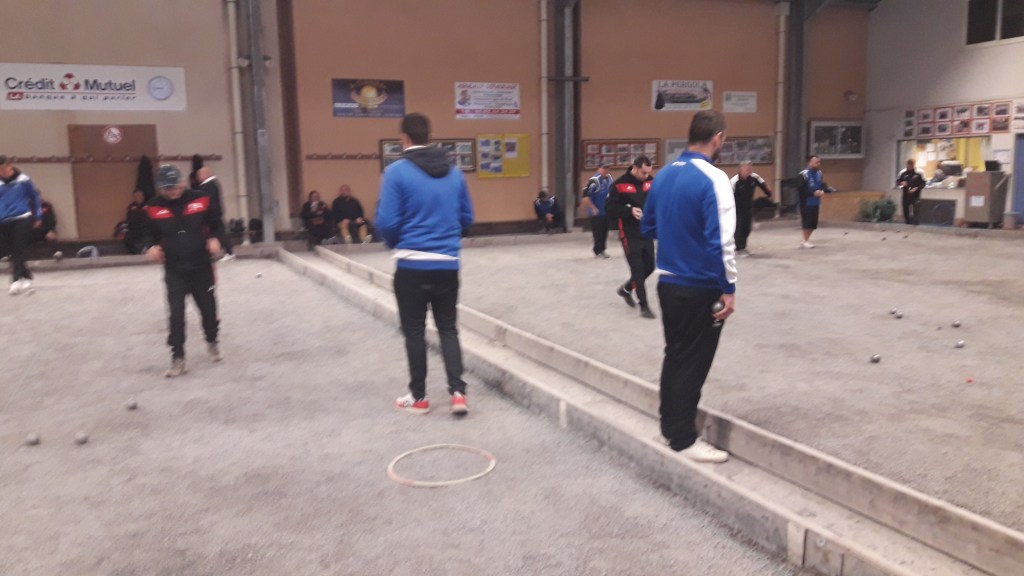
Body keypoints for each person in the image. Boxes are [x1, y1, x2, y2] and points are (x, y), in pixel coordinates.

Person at [640, 109, 735, 463]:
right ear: (718, 138)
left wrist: (677, 234)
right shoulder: (714, 178)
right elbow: (721, 241)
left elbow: (648, 227)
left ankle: (670, 427)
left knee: (676, 355)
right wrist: (729, 288)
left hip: (668, 283)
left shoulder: (664, 175)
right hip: (701, 286)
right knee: (693, 362)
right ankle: (683, 438)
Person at [376, 112, 474, 416]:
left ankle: (418, 398)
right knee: (448, 328)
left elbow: (387, 222)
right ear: (431, 137)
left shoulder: (395, 173)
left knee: (415, 331)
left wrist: (397, 243)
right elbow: (467, 217)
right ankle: (458, 393)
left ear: (403, 138)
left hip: (411, 265)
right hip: (447, 264)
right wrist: (448, 238)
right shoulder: (454, 173)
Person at [141, 164, 226, 377]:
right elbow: (147, 234)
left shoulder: (201, 199)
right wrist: (150, 246)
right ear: (161, 188)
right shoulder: (152, 207)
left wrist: (216, 239)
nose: (173, 191)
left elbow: (217, 224)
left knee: (208, 309)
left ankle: (212, 339)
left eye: (175, 186)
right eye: (167, 188)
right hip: (174, 269)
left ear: (182, 182)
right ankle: (177, 357)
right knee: (176, 314)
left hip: (201, 266)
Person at [607, 155, 656, 319]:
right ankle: (644, 306)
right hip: (629, 234)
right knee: (638, 269)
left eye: (648, 173)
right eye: (643, 173)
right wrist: (628, 211)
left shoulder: (650, 181)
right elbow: (609, 208)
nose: (646, 176)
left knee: (650, 266)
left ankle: (626, 288)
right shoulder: (619, 185)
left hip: (646, 231)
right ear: (634, 168)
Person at [0, 155, 43, 295]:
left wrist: (38, 215)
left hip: (22, 218)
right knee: (12, 251)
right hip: (3, 220)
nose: (2, 172)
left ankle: (15, 280)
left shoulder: (23, 179)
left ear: (9, 166)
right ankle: (26, 278)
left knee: (19, 248)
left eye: (3, 169)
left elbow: (34, 197)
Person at [729, 161, 772, 256]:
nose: (748, 171)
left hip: (748, 207)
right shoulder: (734, 181)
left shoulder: (754, 177)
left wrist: (768, 193)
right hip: (737, 208)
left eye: (750, 169)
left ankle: (743, 247)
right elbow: (727, 194)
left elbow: (763, 185)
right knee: (739, 228)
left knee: (747, 228)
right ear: (741, 169)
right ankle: (738, 248)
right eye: (746, 169)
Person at [196, 167, 236, 260]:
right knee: (216, 233)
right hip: (215, 213)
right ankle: (220, 252)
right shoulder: (213, 184)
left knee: (219, 233)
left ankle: (229, 252)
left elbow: (209, 201)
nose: (198, 177)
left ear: (205, 174)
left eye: (199, 175)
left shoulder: (208, 185)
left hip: (213, 214)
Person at [797, 155, 834, 248]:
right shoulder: (803, 174)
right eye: (816, 162)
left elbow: (821, 184)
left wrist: (825, 190)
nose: (818, 164)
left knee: (813, 223)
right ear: (810, 162)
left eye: (819, 162)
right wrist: (813, 193)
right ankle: (805, 240)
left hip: (816, 202)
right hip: (806, 202)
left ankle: (805, 240)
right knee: (807, 222)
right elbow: (800, 190)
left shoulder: (819, 173)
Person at [583, 162, 613, 258]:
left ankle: (602, 250)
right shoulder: (594, 180)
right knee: (598, 233)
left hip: (606, 211)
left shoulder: (609, 179)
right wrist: (593, 208)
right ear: (599, 168)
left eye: (608, 168)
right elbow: (585, 197)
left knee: (604, 232)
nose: (606, 170)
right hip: (596, 212)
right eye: (604, 168)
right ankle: (598, 251)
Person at [896, 159, 925, 225]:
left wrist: (917, 188)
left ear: (913, 165)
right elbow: (898, 182)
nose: (910, 167)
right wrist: (901, 183)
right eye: (908, 165)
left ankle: (915, 224)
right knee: (905, 210)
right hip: (906, 195)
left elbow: (923, 183)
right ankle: (907, 223)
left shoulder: (918, 174)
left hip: (915, 195)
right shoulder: (903, 173)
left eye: (911, 165)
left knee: (916, 210)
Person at [123, 190, 149, 254]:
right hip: (134, 230)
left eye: (141, 196)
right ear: (134, 197)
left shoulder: (148, 205)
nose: (139, 197)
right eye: (137, 196)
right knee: (128, 238)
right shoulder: (131, 207)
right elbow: (130, 219)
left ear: (143, 197)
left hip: (145, 230)